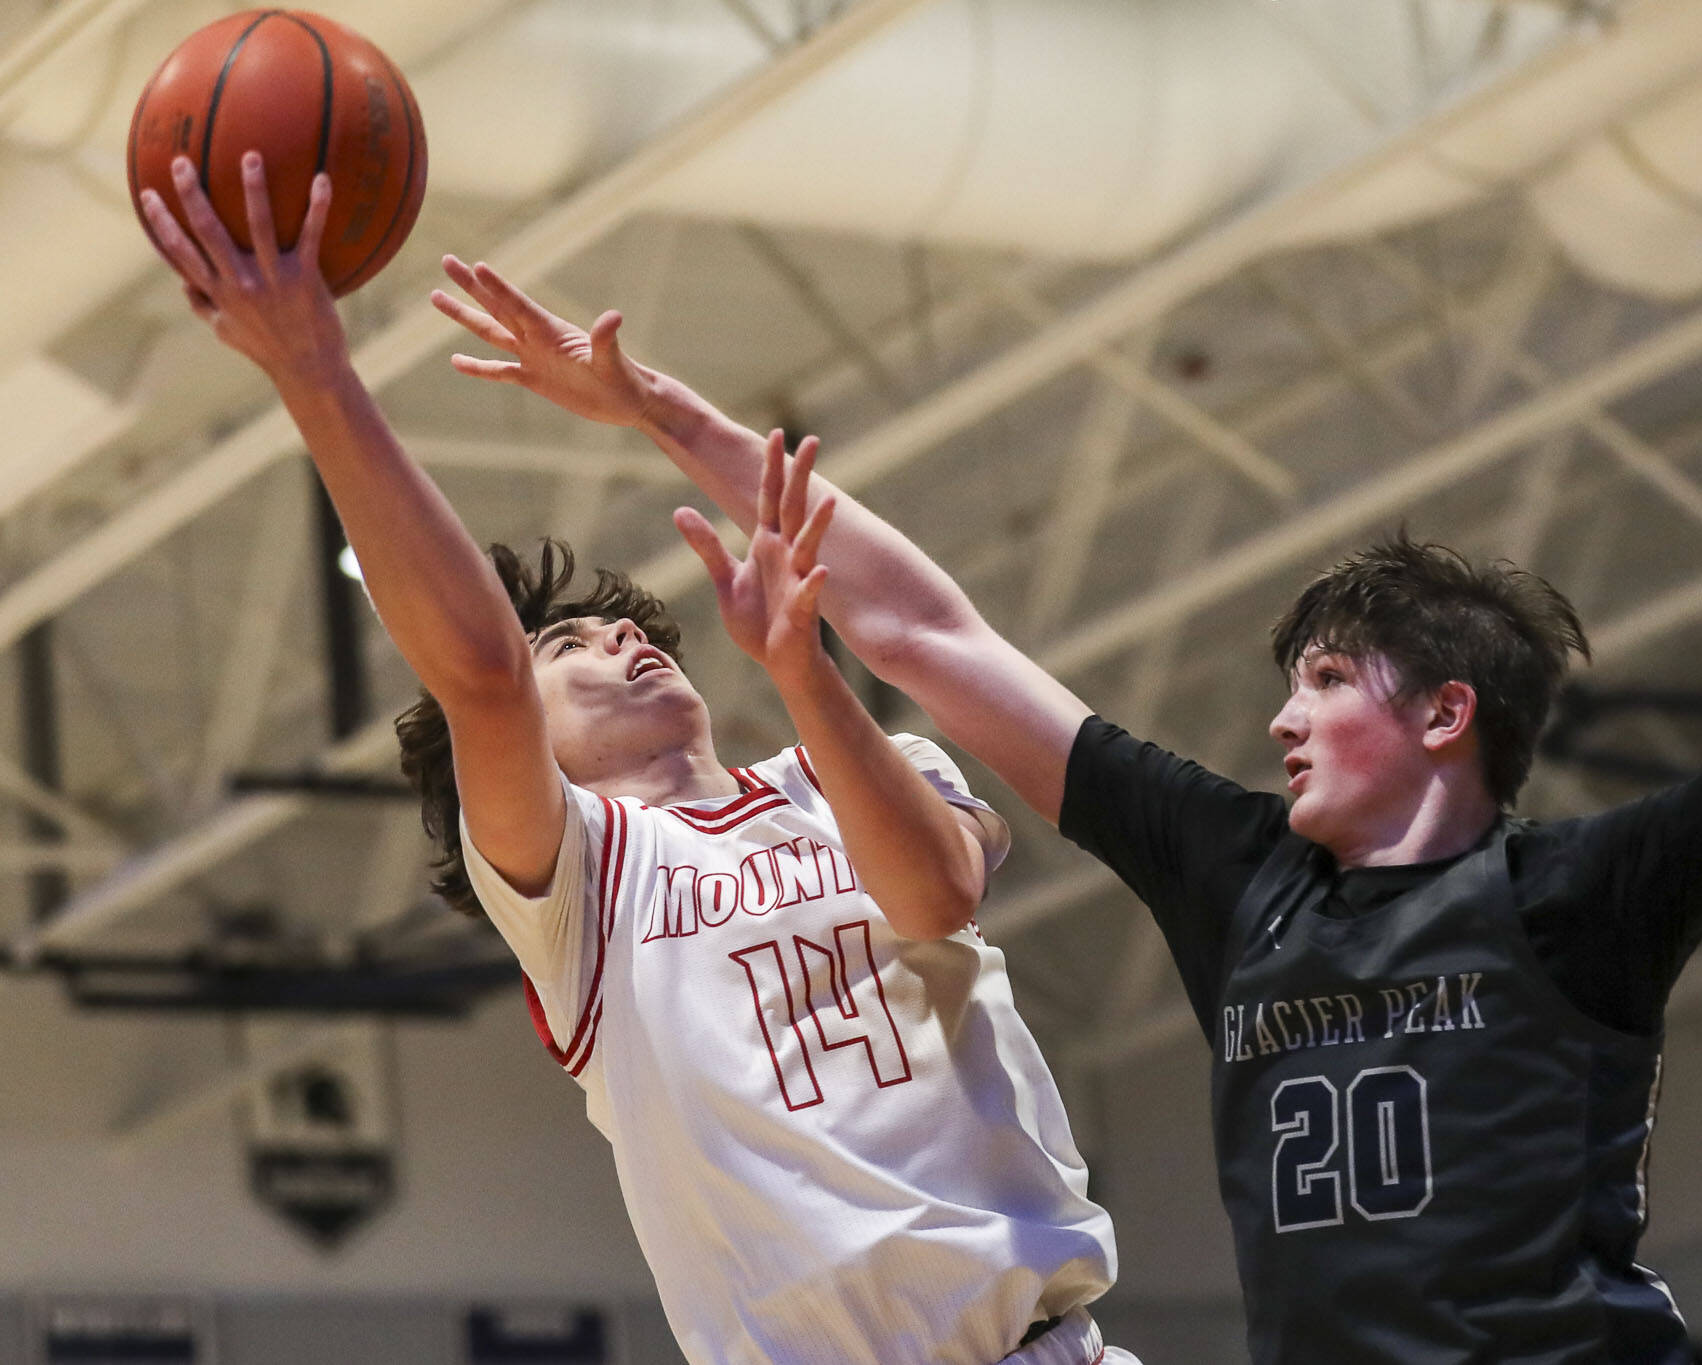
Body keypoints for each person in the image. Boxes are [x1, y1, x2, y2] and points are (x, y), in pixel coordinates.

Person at [433, 257, 1702, 1363]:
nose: (1277, 713)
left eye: (1325, 681)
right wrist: (662, 414)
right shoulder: (1233, 875)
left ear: (1442, 713)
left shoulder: (1589, 890)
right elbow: (927, 632)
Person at [137, 155, 1140, 1365]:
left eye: (629, 627)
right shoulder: (582, 888)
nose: (619, 633)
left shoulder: (850, 772)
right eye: (571, 641)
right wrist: (315, 370)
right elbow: (479, 674)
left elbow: (936, 893)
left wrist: (803, 670)